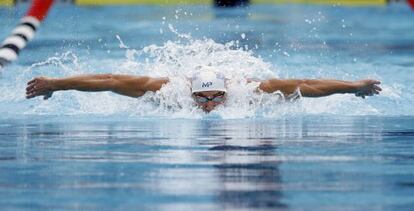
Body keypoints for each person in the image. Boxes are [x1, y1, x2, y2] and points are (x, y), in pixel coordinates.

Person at [26, 66, 381, 113]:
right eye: (203, 98)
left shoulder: (250, 91)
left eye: (216, 97)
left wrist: (353, 88)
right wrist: (55, 84)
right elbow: (111, 82)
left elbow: (308, 85)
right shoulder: (168, 91)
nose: (210, 105)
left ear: (227, 92)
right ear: (191, 93)